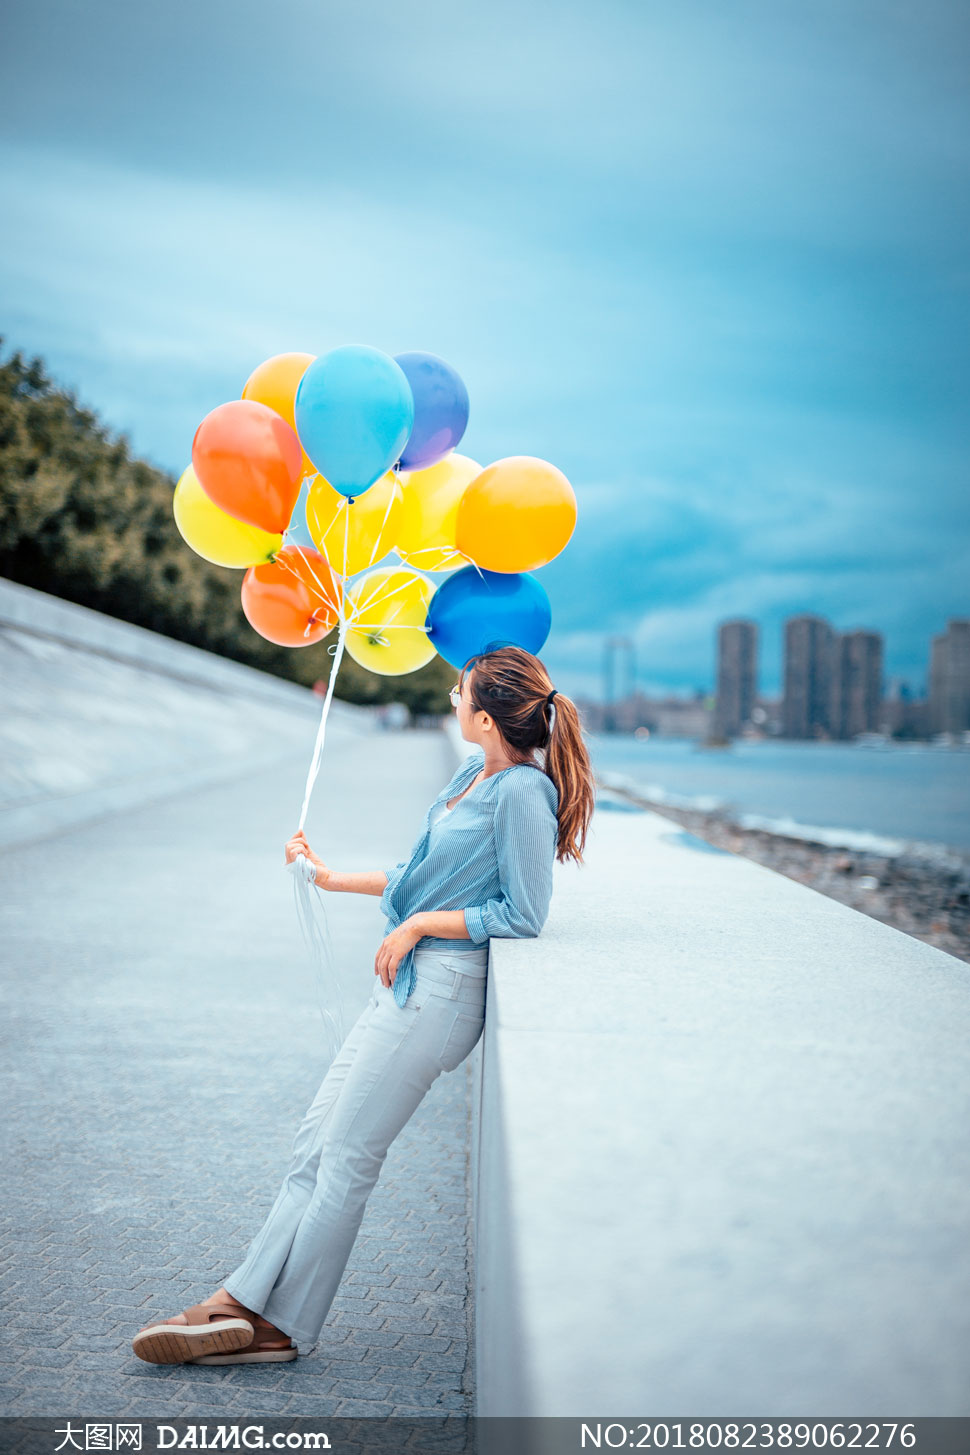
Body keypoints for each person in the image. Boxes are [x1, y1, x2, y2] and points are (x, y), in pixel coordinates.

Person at [131, 644, 595, 1367]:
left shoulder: (523, 795)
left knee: (348, 1156)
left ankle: (279, 1325)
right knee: (314, 1144)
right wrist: (325, 876)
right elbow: (417, 876)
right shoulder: (473, 772)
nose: (449, 695)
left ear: (484, 715)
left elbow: (525, 912)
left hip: (442, 994)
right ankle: (246, 1296)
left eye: (459, 690)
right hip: (408, 985)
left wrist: (418, 926)